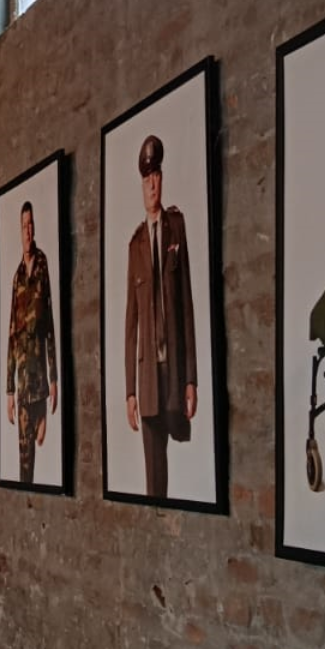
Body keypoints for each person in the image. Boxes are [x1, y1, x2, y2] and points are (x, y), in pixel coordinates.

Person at [125, 135, 197, 500]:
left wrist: (191, 379)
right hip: (148, 377)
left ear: (162, 179)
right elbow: (130, 326)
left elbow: (187, 305)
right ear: (141, 185)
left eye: (156, 176)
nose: (152, 184)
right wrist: (130, 391)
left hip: (174, 373)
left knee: (189, 458)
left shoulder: (176, 227)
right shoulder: (135, 245)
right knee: (155, 480)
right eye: (146, 178)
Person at [5, 200, 57, 483]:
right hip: (23, 384)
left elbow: (49, 324)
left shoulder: (42, 265)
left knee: (41, 448)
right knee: (25, 463)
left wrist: (54, 378)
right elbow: (11, 335)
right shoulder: (16, 278)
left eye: (31, 225)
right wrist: (9, 390)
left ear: (34, 228)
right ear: (19, 230)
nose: (27, 231)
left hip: (40, 383)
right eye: (24, 226)